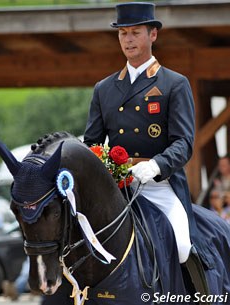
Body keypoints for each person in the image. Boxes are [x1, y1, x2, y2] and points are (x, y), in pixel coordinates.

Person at [84, 1, 213, 295]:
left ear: (153, 35)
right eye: (123, 33)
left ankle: (200, 299)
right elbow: (91, 143)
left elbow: (184, 143)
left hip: (160, 186)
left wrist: (156, 166)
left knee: (182, 244)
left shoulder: (174, 84)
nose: (128, 40)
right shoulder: (103, 89)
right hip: (116, 187)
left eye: (136, 33)